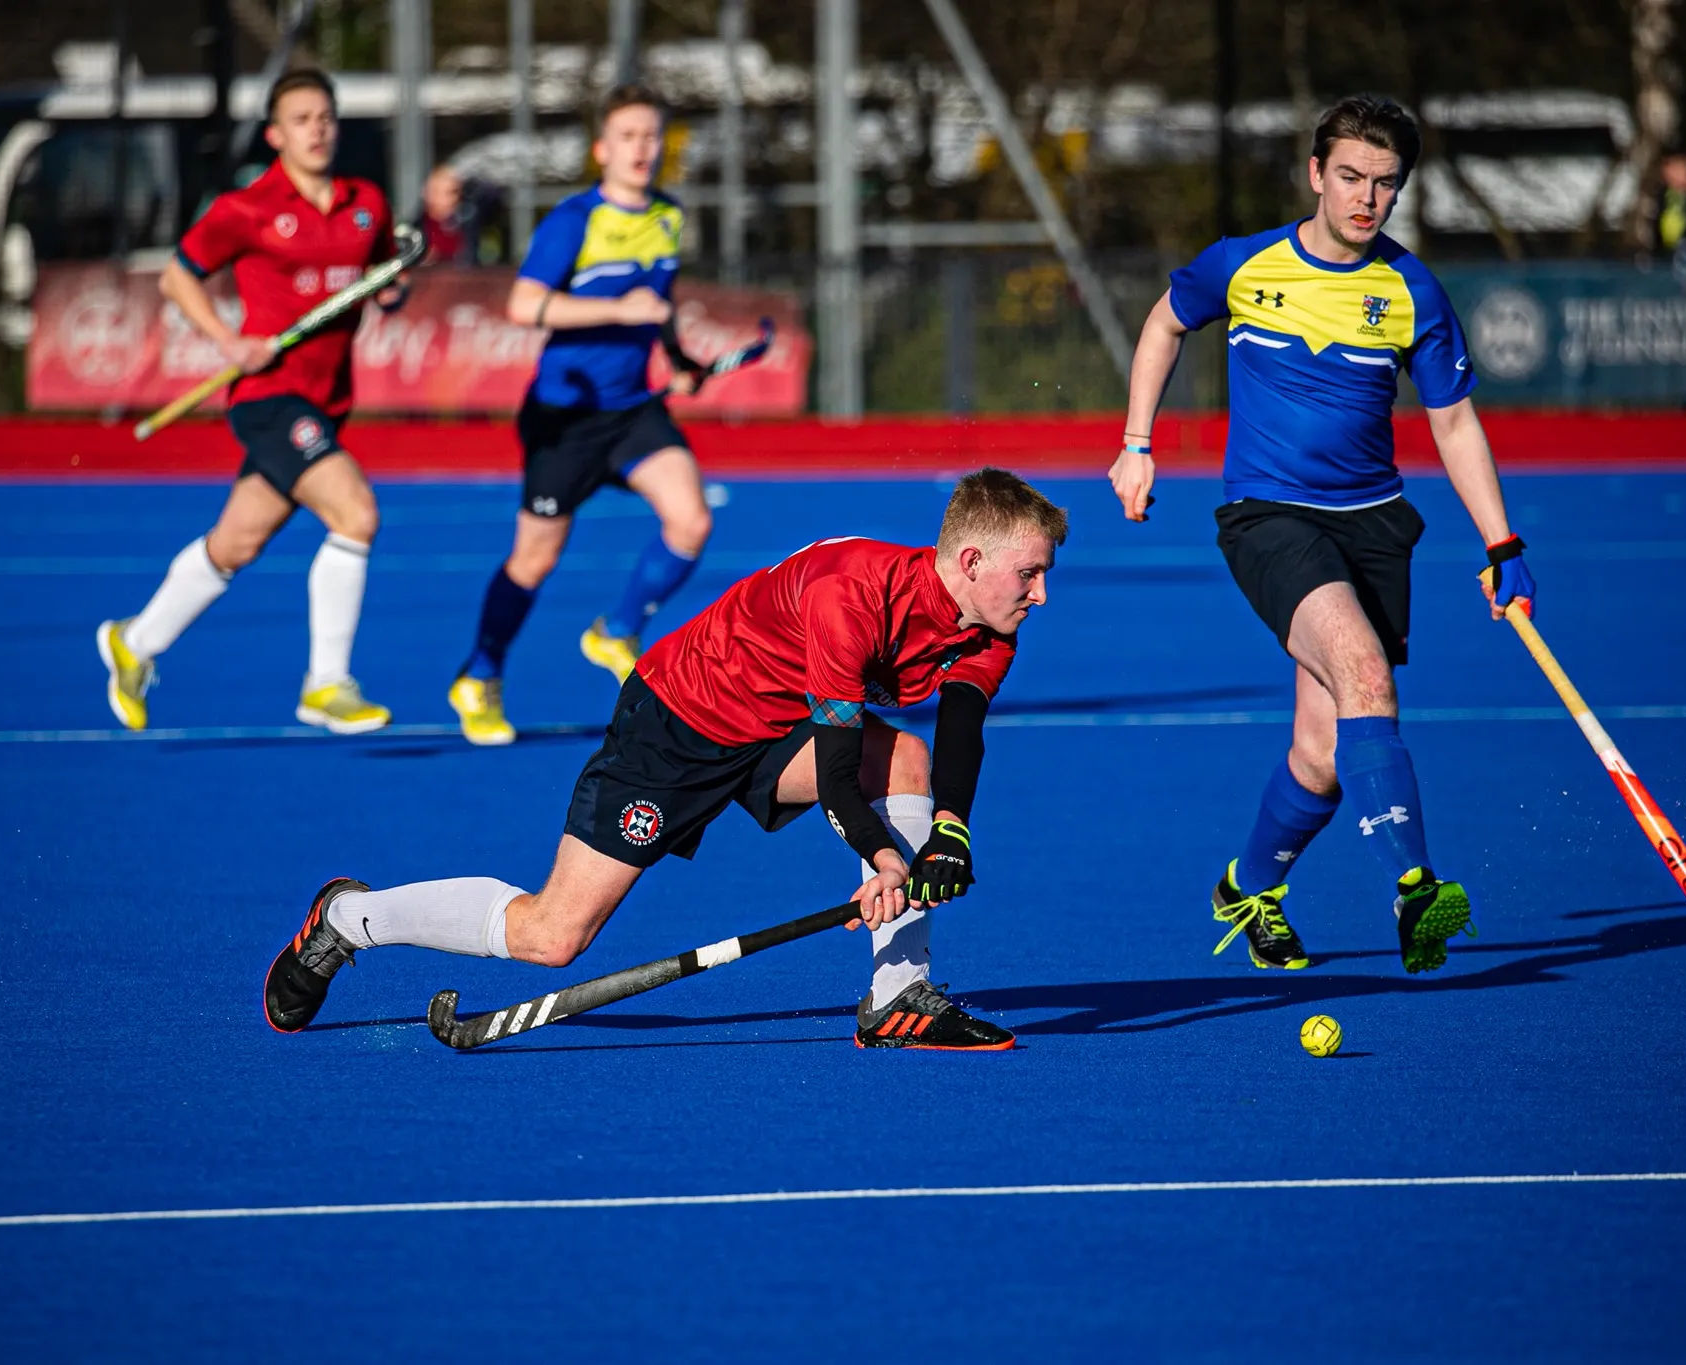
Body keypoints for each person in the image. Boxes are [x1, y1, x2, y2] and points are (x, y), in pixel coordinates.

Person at [266, 469, 1068, 1050]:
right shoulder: (849, 596)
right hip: (678, 721)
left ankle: (898, 998)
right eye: (1028, 574)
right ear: (969, 561)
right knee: (552, 935)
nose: (1040, 595)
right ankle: (346, 918)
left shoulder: (988, 626)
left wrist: (949, 834)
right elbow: (834, 774)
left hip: (773, 725)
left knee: (912, 763)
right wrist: (886, 855)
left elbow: (964, 724)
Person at [1108, 93, 1537, 976]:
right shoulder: (1242, 265)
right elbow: (1162, 322)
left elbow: (1454, 425)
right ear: (1315, 174)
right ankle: (1417, 886)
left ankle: (1247, 885)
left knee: (1325, 751)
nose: (1366, 198)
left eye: (1385, 183)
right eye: (1349, 176)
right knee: (1362, 667)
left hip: (1373, 523)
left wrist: (1502, 547)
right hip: (1269, 518)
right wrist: (1136, 444)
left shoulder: (1411, 289)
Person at [97, 68, 402, 735]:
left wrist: (390, 290)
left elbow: (380, 276)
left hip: (325, 403)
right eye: (301, 119)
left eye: (325, 117)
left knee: (235, 543)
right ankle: (327, 683)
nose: (317, 129)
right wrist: (229, 342)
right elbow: (179, 277)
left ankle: (135, 642)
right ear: (274, 134)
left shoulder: (366, 203)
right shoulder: (249, 208)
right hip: (270, 397)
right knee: (356, 512)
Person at [445, 83, 718, 746]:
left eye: (651, 137)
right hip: (564, 419)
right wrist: (618, 311)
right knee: (533, 561)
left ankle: (615, 631)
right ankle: (479, 675)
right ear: (602, 149)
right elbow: (524, 305)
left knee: (691, 518)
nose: (641, 150)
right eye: (627, 137)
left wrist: (677, 355)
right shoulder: (574, 221)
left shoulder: (669, 217)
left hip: (630, 411)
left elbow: (661, 300)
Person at [417, 164, 472, 266]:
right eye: (448, 193)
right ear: (429, 194)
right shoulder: (415, 233)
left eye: (456, 192)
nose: (454, 199)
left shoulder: (465, 228)